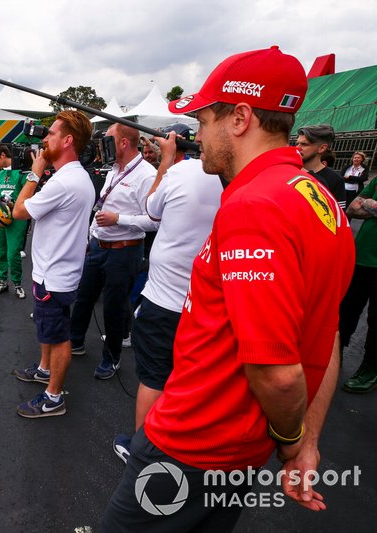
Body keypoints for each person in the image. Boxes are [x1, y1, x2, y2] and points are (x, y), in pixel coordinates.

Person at [101, 46, 355, 532]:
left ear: (239, 118)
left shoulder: (254, 207)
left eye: (203, 119)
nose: (197, 134)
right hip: (234, 451)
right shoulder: (320, 198)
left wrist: (291, 440)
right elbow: (326, 332)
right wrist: (308, 443)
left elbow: (278, 374)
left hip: (192, 444)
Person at [112, 129, 223, 463]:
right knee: (191, 381)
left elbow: (151, 207)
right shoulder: (237, 178)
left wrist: (166, 160)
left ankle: (141, 452)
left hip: (164, 302)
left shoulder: (179, 171)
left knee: (154, 378)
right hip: (206, 305)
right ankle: (182, 445)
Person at [9, 110, 95, 418]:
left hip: (55, 276)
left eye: (52, 134)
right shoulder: (74, 177)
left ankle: (53, 397)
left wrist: (35, 172)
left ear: (68, 140)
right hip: (55, 271)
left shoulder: (64, 182)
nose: (45, 139)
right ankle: (45, 370)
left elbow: (19, 212)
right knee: (48, 327)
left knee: (58, 337)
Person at [69, 122, 158, 380]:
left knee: (114, 307)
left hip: (125, 251)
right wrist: (90, 237)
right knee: (84, 296)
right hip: (99, 246)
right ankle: (74, 341)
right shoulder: (114, 169)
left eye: (108, 139)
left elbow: (153, 220)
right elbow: (101, 205)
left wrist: (119, 219)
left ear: (123, 143)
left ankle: (112, 358)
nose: (102, 144)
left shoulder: (147, 175)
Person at [339, 181, 377, 393]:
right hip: (361, 258)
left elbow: (363, 205)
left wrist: (370, 205)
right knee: (346, 310)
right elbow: (354, 206)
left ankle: (370, 368)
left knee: (376, 319)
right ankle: (336, 354)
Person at [0, 144, 27, 299]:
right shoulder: (1, 175)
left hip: (16, 219)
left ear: (3, 155)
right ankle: (2, 282)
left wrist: (13, 203)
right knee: (0, 252)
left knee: (13, 254)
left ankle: (17, 284)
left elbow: (27, 196)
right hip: (1, 220)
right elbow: (0, 194)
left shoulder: (21, 172)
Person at [296, 124, 346, 210]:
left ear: (322, 148)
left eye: (304, 144)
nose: (297, 148)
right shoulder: (288, 171)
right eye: (297, 143)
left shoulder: (335, 180)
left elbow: (338, 216)